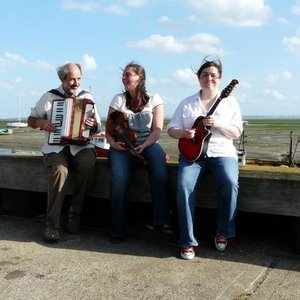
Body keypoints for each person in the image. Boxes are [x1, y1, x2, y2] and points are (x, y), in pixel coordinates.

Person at [167, 56, 243, 259]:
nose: (209, 78)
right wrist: (183, 133)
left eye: (213, 75)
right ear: (198, 78)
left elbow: (236, 133)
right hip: (193, 155)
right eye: (204, 75)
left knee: (229, 182)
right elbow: (171, 129)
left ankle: (223, 232)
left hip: (221, 152)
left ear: (220, 78)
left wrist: (218, 124)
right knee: (184, 185)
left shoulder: (230, 102)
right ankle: (187, 241)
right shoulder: (187, 103)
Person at [27, 63, 101, 243]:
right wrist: (40, 123)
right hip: (55, 147)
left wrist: (93, 126)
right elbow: (31, 119)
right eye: (72, 79)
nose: (76, 83)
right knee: (60, 171)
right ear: (62, 79)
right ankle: (52, 224)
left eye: (79, 78)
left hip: (80, 146)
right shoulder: (50, 96)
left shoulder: (87, 97)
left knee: (88, 164)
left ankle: (74, 214)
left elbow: (98, 126)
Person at [105, 61, 172, 243]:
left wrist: (144, 146)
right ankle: (117, 228)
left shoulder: (155, 98)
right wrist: (113, 145)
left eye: (129, 74)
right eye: (124, 75)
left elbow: (157, 130)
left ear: (140, 77)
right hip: (122, 147)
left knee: (159, 168)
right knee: (119, 178)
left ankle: (162, 221)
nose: (124, 78)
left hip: (147, 144)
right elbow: (108, 130)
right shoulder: (118, 99)